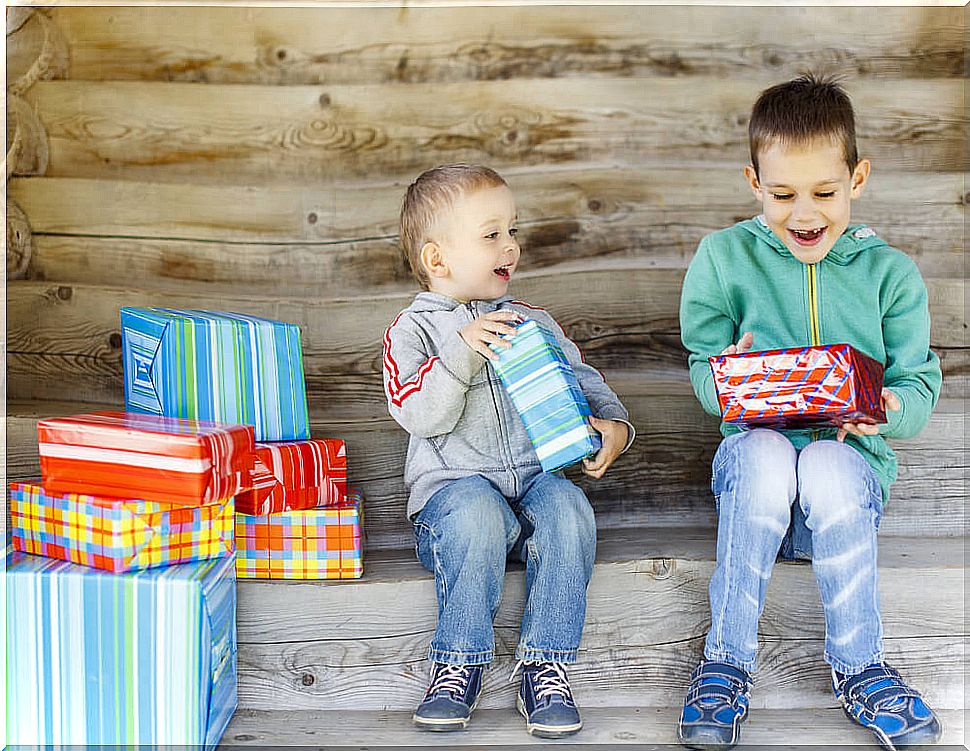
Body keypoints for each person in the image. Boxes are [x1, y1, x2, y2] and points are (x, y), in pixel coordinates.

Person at [677, 74, 943, 750]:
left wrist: (889, 408)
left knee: (829, 459)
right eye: (782, 193)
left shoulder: (890, 275)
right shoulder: (723, 258)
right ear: (752, 181)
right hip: (756, 487)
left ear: (858, 178)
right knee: (764, 453)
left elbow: (919, 382)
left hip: (844, 485)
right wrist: (727, 375)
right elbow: (703, 371)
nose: (805, 213)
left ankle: (860, 667)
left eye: (825, 192)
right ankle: (726, 661)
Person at [382, 163, 634, 738]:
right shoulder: (412, 332)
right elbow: (420, 414)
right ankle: (457, 664)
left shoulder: (532, 321)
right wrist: (461, 354)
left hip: (533, 485)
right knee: (475, 511)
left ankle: (545, 665)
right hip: (454, 504)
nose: (511, 246)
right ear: (437, 260)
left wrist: (616, 427)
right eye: (491, 234)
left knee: (570, 507)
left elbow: (583, 380)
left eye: (512, 231)